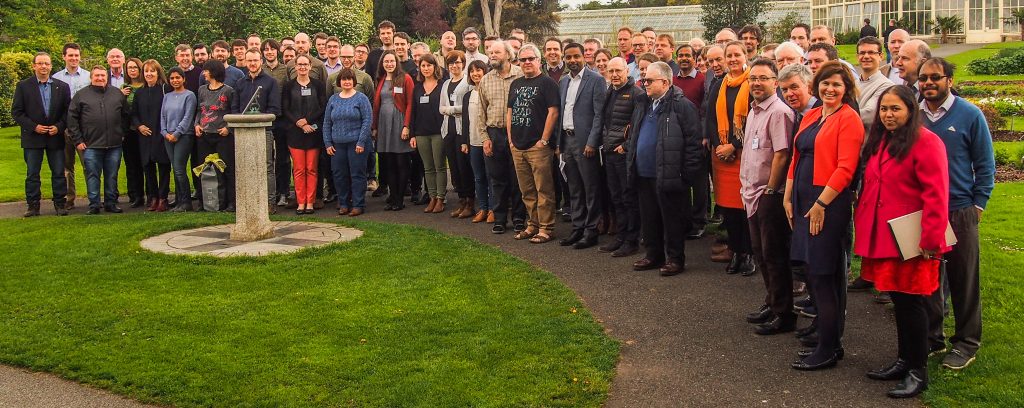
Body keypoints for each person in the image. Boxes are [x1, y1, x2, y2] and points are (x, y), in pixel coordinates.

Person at [855, 85, 950, 398]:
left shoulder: (927, 142)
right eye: (884, 109)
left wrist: (931, 238)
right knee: (899, 300)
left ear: (911, 110)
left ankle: (917, 370)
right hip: (887, 236)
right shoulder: (884, 140)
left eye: (895, 109)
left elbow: (936, 194)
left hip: (914, 239)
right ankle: (903, 359)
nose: (888, 115)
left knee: (912, 304)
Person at [784, 61, 864, 370]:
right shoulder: (814, 115)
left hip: (827, 204)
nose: (830, 89)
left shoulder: (849, 120)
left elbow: (846, 168)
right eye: (825, 83)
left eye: (837, 85)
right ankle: (825, 340)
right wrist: (789, 196)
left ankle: (830, 347)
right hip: (804, 200)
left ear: (846, 89)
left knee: (823, 275)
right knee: (812, 273)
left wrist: (820, 203)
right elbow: (796, 155)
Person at [919, 57, 994, 371]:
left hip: (959, 209)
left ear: (949, 80)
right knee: (928, 279)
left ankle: (966, 343)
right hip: (923, 211)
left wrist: (977, 205)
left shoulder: (969, 114)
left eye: (935, 77)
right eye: (923, 78)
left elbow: (985, 165)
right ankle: (932, 337)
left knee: (963, 278)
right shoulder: (914, 115)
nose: (928, 83)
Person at [627, 61, 703, 276]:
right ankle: (653, 254)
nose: (644, 83)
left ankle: (675, 259)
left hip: (670, 176)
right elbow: (635, 136)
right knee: (649, 218)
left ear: (666, 82)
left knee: (672, 220)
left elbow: (693, 144)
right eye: (643, 80)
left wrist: (685, 176)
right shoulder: (643, 103)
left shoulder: (682, 106)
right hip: (644, 174)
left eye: (649, 81)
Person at [740, 59, 797, 335]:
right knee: (761, 253)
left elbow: (782, 154)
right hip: (751, 193)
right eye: (753, 79)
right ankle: (772, 301)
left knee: (774, 255)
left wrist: (772, 191)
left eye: (763, 78)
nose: (756, 83)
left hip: (768, 195)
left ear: (775, 82)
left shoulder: (779, 112)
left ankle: (784, 313)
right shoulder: (753, 112)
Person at [705, 41, 755, 275]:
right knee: (728, 209)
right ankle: (736, 251)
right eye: (729, 55)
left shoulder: (752, 82)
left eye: (737, 54)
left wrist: (733, 146)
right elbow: (710, 119)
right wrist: (718, 145)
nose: (733, 59)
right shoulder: (719, 84)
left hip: (744, 154)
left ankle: (750, 253)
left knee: (746, 209)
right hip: (722, 157)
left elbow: (753, 122)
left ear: (745, 55)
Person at [506, 44, 560, 244]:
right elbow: (510, 112)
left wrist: (544, 140)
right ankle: (533, 225)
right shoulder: (516, 84)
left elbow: (553, 112)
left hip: (538, 147)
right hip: (518, 146)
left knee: (543, 190)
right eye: (523, 60)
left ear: (539, 61)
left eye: (531, 59)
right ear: (518, 62)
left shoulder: (547, 83)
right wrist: (511, 140)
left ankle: (547, 228)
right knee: (527, 191)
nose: (527, 62)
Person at [557, 42, 607, 249]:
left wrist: (592, 142)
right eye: (568, 57)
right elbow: (562, 111)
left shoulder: (595, 80)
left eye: (576, 56)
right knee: (574, 187)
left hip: (585, 142)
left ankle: (591, 230)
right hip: (567, 140)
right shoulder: (563, 82)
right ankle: (577, 228)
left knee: (591, 188)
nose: (572, 61)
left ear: (584, 57)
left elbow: (599, 114)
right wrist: (559, 143)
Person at [12, 52, 71, 217]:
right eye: (40, 63)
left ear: (51, 66)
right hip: (33, 137)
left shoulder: (62, 86)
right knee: (32, 173)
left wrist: (59, 127)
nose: (43, 66)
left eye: (46, 63)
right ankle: (33, 205)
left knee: (59, 172)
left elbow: (68, 112)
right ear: (34, 66)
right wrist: (33, 127)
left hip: (55, 136)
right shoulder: (23, 86)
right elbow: (17, 112)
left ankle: (60, 204)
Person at [478, 40, 527, 234]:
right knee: (497, 179)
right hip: (495, 134)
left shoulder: (521, 75)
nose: (492, 55)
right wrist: (485, 138)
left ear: (508, 54)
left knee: (517, 179)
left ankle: (518, 218)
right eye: (490, 52)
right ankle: (499, 219)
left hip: (518, 133)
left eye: (497, 52)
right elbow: (480, 112)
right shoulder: (486, 80)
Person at [67, 66, 128, 215]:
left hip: (114, 144)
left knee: (112, 175)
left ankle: (110, 202)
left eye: (102, 76)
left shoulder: (116, 94)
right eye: (97, 76)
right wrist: (78, 140)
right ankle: (94, 204)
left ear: (106, 77)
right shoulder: (81, 95)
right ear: (91, 77)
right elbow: (72, 119)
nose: (100, 78)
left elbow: (126, 115)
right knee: (92, 175)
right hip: (91, 145)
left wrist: (122, 133)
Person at [599, 57, 643, 257]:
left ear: (627, 71)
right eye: (611, 71)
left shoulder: (637, 94)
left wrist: (625, 146)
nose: (615, 75)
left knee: (628, 198)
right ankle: (621, 237)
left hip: (624, 154)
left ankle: (631, 240)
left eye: (618, 71)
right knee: (616, 197)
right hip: (609, 153)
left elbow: (639, 125)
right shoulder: (610, 92)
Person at [232, 47, 282, 213]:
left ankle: (269, 202)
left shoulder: (270, 82)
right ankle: (249, 200)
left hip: (264, 131)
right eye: (249, 61)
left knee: (267, 166)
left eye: (255, 60)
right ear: (245, 62)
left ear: (261, 61)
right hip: (243, 133)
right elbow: (235, 109)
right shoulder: (239, 84)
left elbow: (275, 109)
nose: (252, 64)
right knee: (246, 166)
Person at [282, 55, 328, 214]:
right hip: (295, 133)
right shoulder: (288, 86)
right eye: (299, 64)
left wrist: (307, 122)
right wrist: (298, 122)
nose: (302, 67)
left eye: (305, 64)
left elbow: (323, 107)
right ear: (295, 66)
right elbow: (285, 108)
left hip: (313, 132)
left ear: (310, 66)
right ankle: (301, 202)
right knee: (299, 169)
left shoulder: (318, 85)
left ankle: (310, 201)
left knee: (312, 169)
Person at [324, 68, 373, 216]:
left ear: (354, 81)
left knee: (357, 174)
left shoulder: (361, 98)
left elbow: (367, 121)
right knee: (339, 174)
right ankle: (344, 203)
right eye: (344, 79)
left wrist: (361, 142)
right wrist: (328, 143)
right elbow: (326, 122)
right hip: (337, 144)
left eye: (349, 79)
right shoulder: (333, 99)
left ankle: (358, 204)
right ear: (339, 82)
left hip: (356, 143)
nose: (347, 82)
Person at [373, 51, 416, 211]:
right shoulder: (381, 79)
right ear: (382, 64)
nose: (389, 64)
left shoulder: (406, 79)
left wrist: (407, 126)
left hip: (399, 123)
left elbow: (411, 103)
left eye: (392, 61)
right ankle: (392, 197)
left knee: (401, 162)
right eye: (386, 61)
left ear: (396, 62)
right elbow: (377, 105)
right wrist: (375, 127)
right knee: (388, 162)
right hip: (384, 125)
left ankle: (400, 198)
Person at [193, 60, 236, 212]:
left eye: (206, 71)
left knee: (227, 168)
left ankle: (231, 202)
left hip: (222, 136)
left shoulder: (228, 91)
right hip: (205, 135)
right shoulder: (202, 90)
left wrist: (228, 128)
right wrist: (196, 124)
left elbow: (233, 112)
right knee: (203, 167)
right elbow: (199, 110)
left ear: (214, 72)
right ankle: (204, 201)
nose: (203, 73)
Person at [53, 44, 91, 211]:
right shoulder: (56, 78)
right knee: (67, 166)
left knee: (89, 164)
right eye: (70, 55)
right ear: (64, 57)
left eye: (76, 55)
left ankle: (93, 197)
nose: (74, 58)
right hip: (65, 127)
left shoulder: (89, 77)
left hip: (84, 128)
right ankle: (69, 198)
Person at [132, 60, 172, 212]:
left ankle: (163, 198)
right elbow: (134, 113)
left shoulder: (165, 89)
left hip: (161, 134)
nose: (149, 74)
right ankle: (153, 197)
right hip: (145, 135)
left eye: (152, 71)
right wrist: (139, 126)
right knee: (148, 167)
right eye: (146, 71)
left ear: (158, 73)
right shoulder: (140, 92)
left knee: (163, 166)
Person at [410, 54, 448, 213]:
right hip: (421, 132)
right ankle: (432, 197)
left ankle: (440, 198)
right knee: (428, 167)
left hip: (439, 132)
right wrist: (412, 134)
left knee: (439, 166)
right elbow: (413, 111)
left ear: (435, 67)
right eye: (423, 66)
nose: (426, 69)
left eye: (429, 65)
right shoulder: (417, 87)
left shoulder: (443, 85)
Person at [440, 51, 475, 218]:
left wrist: (452, 110)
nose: (454, 66)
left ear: (463, 63)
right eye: (451, 63)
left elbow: (468, 107)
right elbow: (441, 108)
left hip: (463, 131)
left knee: (464, 167)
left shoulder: (468, 82)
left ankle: (470, 202)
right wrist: (449, 110)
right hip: (448, 131)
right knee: (454, 167)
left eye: (458, 62)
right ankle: (461, 201)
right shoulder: (446, 83)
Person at [160, 67, 198, 212]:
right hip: (167, 137)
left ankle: (186, 202)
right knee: (175, 169)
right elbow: (162, 117)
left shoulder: (189, 96)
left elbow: (188, 117)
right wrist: (165, 133)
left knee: (179, 169)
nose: (175, 80)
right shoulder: (167, 96)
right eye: (172, 78)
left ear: (183, 79)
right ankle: (179, 201)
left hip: (183, 136)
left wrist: (176, 133)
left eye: (178, 78)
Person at [262, 38, 292, 208]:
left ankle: (283, 192)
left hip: (282, 119)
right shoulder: (261, 70)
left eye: (272, 49)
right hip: (264, 119)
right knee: (267, 159)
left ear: (277, 51)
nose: (269, 52)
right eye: (266, 50)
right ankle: (268, 192)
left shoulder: (285, 70)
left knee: (283, 158)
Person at [464, 60, 493, 223]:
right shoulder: (468, 95)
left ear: (485, 71)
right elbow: (466, 120)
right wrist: (465, 141)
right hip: (474, 141)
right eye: (472, 71)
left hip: (488, 140)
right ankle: (483, 208)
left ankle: (493, 209)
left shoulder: (489, 90)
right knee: (479, 177)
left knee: (491, 176)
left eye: (478, 70)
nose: (475, 74)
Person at [855, 36, 895, 133]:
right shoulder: (853, 84)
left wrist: (838, 117)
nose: (866, 56)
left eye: (871, 52)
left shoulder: (887, 86)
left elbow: (869, 115)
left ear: (881, 56)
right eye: (862, 53)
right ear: (857, 57)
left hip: (871, 145)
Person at [121, 57, 147, 208]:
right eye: (129, 67)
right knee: (132, 165)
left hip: (144, 129)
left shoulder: (146, 86)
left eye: (135, 67)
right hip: (129, 130)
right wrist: (121, 96)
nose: (132, 70)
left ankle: (151, 194)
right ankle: (135, 195)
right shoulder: (125, 88)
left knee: (146, 163)